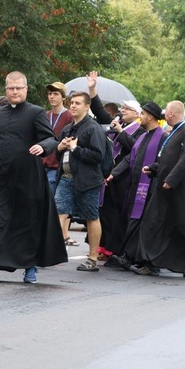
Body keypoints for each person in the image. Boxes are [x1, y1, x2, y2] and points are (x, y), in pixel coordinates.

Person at [0, 71, 67, 284]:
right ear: (6, 90)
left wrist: (42, 146)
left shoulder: (36, 112)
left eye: (19, 88)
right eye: (11, 88)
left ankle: (30, 266)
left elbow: (51, 139)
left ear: (26, 89)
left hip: (27, 178)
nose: (15, 91)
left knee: (27, 222)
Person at [135, 101, 185, 278]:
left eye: (166, 112)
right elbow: (168, 159)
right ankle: (151, 261)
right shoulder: (175, 132)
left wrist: (171, 179)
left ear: (171, 113)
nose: (165, 115)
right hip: (164, 187)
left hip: (180, 189)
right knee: (153, 223)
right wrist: (154, 168)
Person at [105, 101, 165, 273]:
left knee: (143, 224)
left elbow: (164, 161)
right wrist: (114, 173)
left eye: (144, 114)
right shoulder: (144, 136)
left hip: (150, 188)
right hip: (135, 185)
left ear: (151, 117)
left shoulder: (162, 137)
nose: (141, 117)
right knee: (132, 220)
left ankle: (141, 260)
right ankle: (129, 255)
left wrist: (153, 169)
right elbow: (130, 157)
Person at [55, 92, 108, 272]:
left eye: (78, 103)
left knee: (91, 217)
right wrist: (60, 147)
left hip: (87, 181)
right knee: (58, 213)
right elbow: (58, 154)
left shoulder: (93, 129)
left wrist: (75, 148)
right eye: (71, 103)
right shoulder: (68, 128)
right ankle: (52, 252)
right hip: (66, 178)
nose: (73, 106)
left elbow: (97, 156)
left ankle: (92, 258)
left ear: (87, 107)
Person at [99, 100, 145, 258]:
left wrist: (121, 132)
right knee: (106, 211)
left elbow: (137, 148)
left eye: (128, 108)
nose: (123, 110)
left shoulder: (140, 130)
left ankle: (116, 249)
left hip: (125, 177)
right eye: (123, 108)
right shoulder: (118, 124)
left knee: (118, 213)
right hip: (110, 173)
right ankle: (104, 247)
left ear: (137, 114)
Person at [41, 82, 73, 196]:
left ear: (63, 97)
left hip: (57, 167)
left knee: (51, 202)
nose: (52, 97)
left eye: (55, 94)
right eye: (49, 94)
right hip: (42, 165)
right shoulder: (45, 115)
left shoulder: (69, 116)